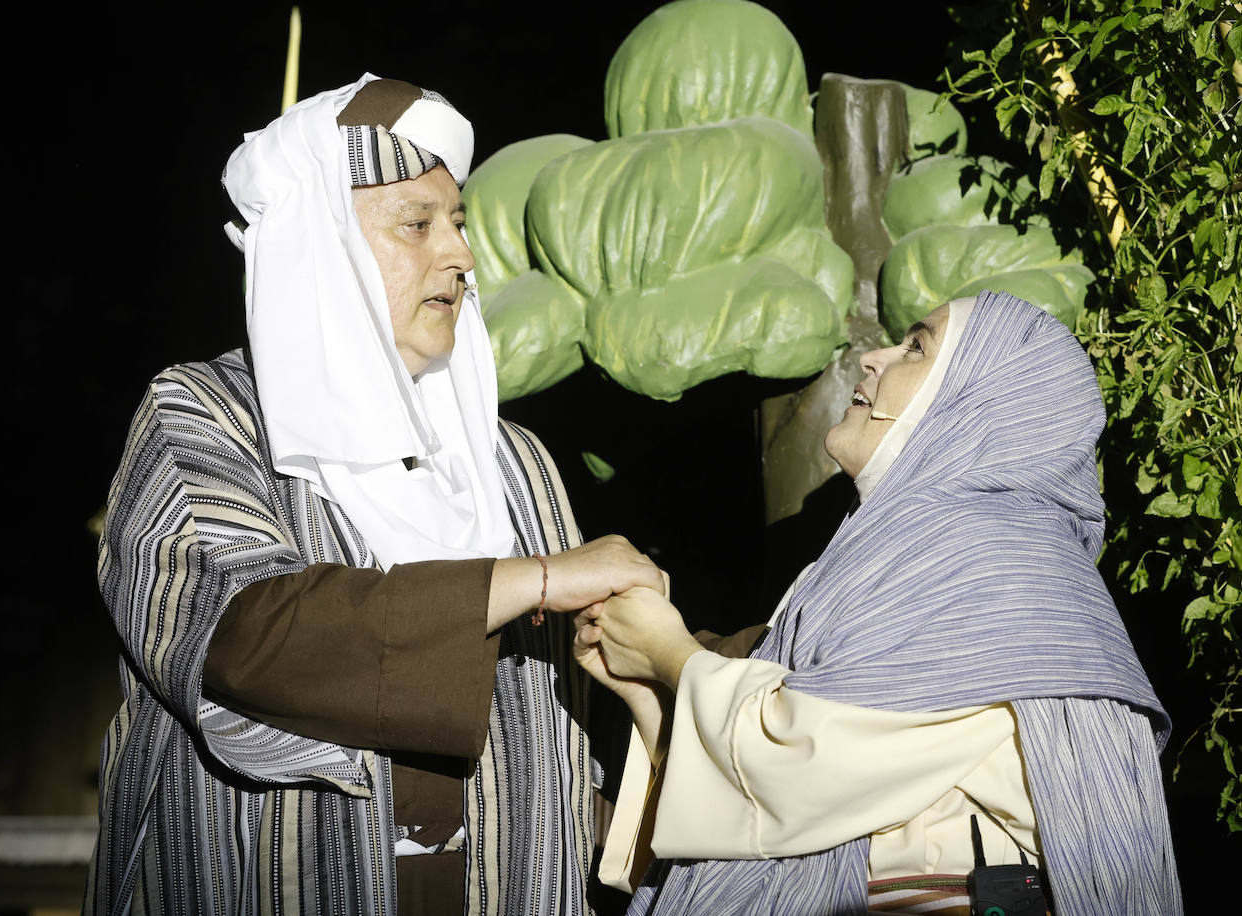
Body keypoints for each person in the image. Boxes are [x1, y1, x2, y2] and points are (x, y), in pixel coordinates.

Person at [85, 74, 663, 916]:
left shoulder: (518, 464)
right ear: (322, 246)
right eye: (417, 225)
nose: (461, 255)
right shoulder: (207, 417)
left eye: (459, 224)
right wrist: (533, 581)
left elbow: (580, 725)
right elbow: (249, 638)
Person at [575, 290, 1182, 915]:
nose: (872, 358)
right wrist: (655, 691)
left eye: (916, 347)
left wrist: (671, 658)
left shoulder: (995, 563)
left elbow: (809, 765)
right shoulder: (924, 553)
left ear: (979, 403)